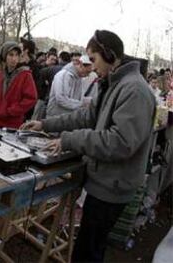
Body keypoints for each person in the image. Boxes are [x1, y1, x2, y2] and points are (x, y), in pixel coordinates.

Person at [22, 30, 156, 263]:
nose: (91, 67)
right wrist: (44, 123)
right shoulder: (114, 83)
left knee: (88, 252)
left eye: (94, 60)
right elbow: (85, 116)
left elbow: (120, 142)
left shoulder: (134, 90)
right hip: (103, 180)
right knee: (88, 247)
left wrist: (69, 140)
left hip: (112, 187)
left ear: (110, 55)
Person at [0, 41, 37, 129]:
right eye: (11, 55)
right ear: (4, 56)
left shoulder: (25, 75)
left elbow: (31, 99)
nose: (14, 58)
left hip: (13, 124)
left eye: (16, 55)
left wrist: (11, 111)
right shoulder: (0, 74)